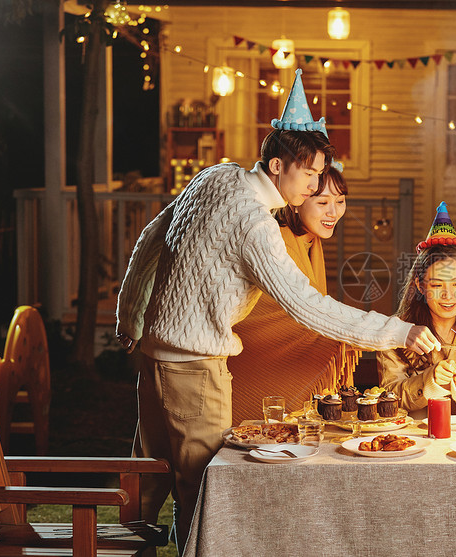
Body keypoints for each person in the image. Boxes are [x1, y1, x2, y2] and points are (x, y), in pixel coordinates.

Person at [115, 69, 439, 552]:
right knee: (202, 491)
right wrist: (399, 331)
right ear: (274, 166)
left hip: (154, 357)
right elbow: (308, 308)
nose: (313, 187)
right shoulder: (257, 225)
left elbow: (150, 240)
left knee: (142, 483)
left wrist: (129, 318)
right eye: (307, 174)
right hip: (197, 369)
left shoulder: (214, 177)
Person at [229, 166, 358, 424]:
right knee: (338, 339)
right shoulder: (278, 240)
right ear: (297, 202)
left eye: (340, 201)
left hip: (280, 339)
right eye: (322, 202)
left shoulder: (311, 240)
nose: (333, 212)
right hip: (253, 351)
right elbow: (286, 313)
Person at [377, 202, 456, 420]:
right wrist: (431, 381)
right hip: (413, 445)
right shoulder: (397, 333)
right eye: (437, 285)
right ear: (420, 286)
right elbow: (388, 399)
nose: (448, 295)